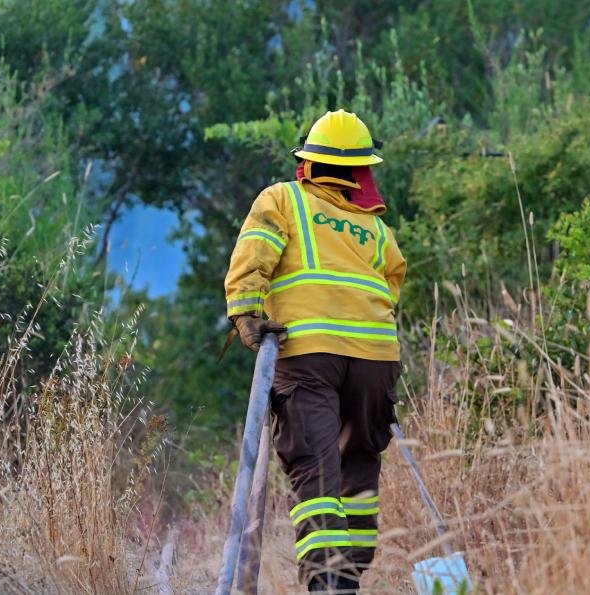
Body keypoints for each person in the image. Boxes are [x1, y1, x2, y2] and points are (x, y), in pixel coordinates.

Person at [223, 110, 407, 593]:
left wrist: (246, 315)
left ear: (309, 160)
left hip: (306, 356)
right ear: (361, 170)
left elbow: (253, 257)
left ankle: (329, 584)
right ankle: (353, 569)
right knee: (361, 460)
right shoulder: (374, 228)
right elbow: (392, 283)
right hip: (376, 359)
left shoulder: (283, 199)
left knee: (316, 468)